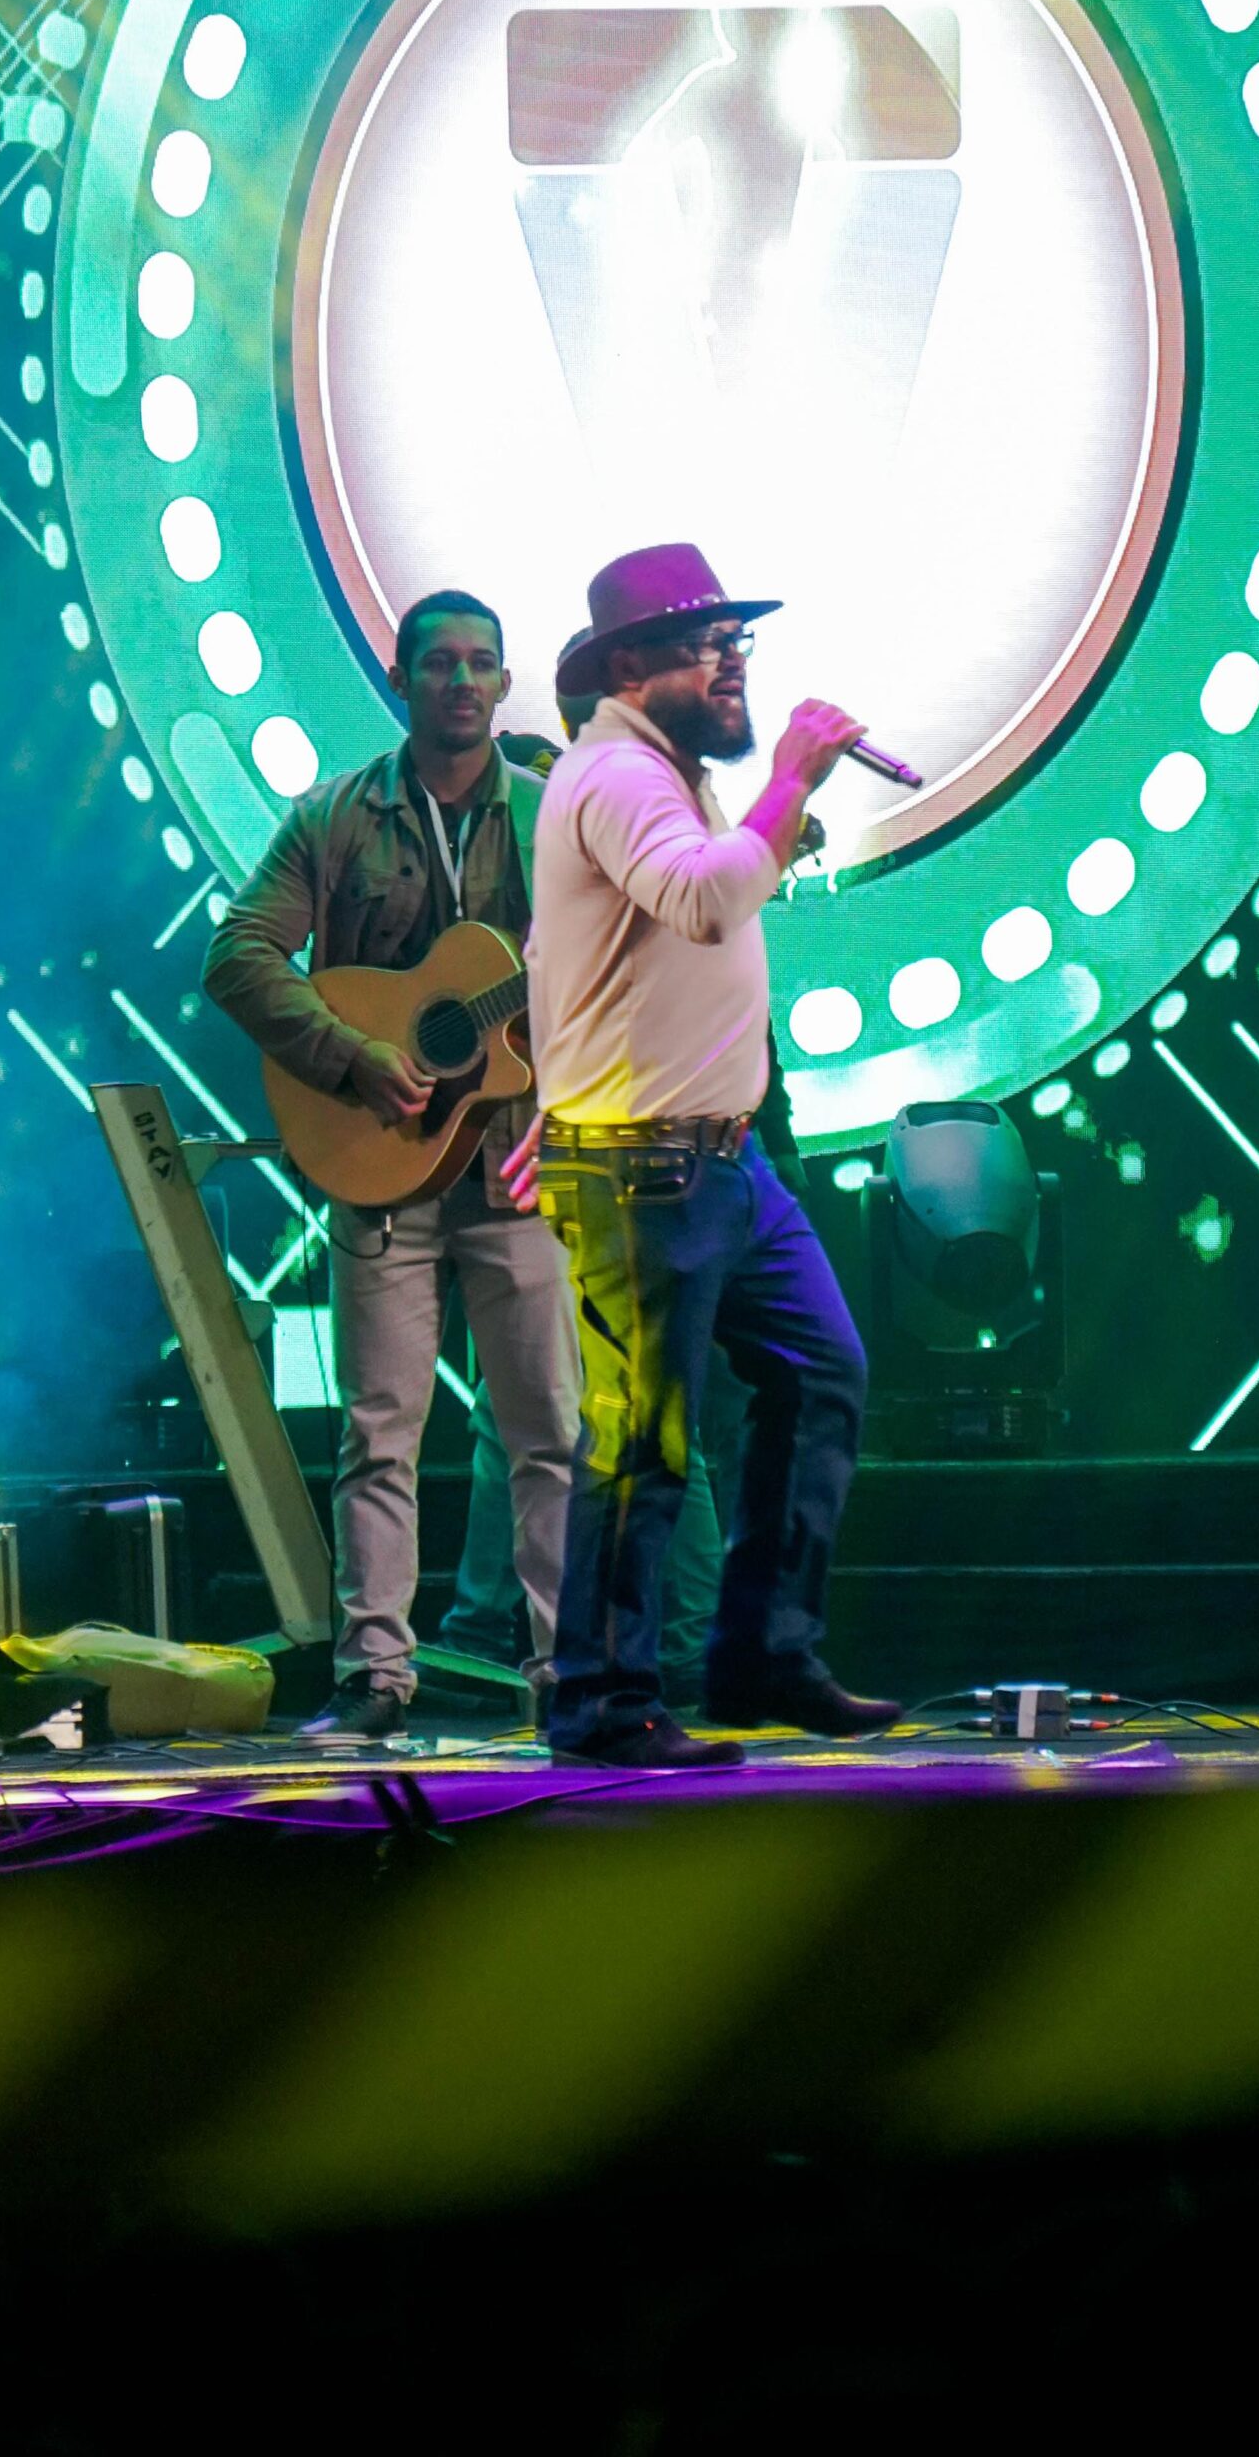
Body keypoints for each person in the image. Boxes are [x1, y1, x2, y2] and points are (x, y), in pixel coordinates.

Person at [507, 543, 900, 1769]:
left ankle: (762, 1653)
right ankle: (601, 1702)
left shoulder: (669, 774)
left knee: (820, 1370)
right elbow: (702, 902)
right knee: (642, 1442)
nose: (732, 665)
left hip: (721, 1162)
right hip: (644, 1172)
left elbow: (572, 960)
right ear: (630, 666)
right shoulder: (617, 773)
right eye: (705, 645)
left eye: (737, 643)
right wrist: (789, 783)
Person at [203, 590, 581, 1739]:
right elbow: (238, 954)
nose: (461, 682)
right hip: (380, 1171)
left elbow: (609, 974)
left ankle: (570, 1675)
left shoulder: (555, 819)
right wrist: (354, 1054)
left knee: (550, 1435)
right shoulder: (333, 815)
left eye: (480, 663)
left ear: (504, 684)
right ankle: (374, 1675)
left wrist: (565, 1096)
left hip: (514, 1168)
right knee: (378, 1433)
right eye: (439, 663)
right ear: (400, 678)